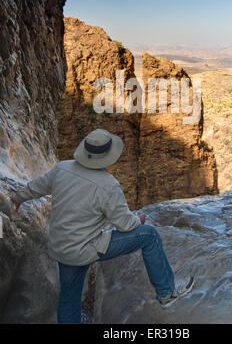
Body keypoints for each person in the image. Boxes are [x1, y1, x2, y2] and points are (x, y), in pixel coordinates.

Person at [11, 128, 194, 324]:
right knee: (149, 235)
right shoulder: (108, 184)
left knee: (68, 293)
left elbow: (35, 187)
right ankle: (167, 292)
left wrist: (17, 199)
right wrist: (137, 220)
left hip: (60, 246)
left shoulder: (61, 168)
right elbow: (124, 224)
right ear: (107, 156)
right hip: (84, 249)